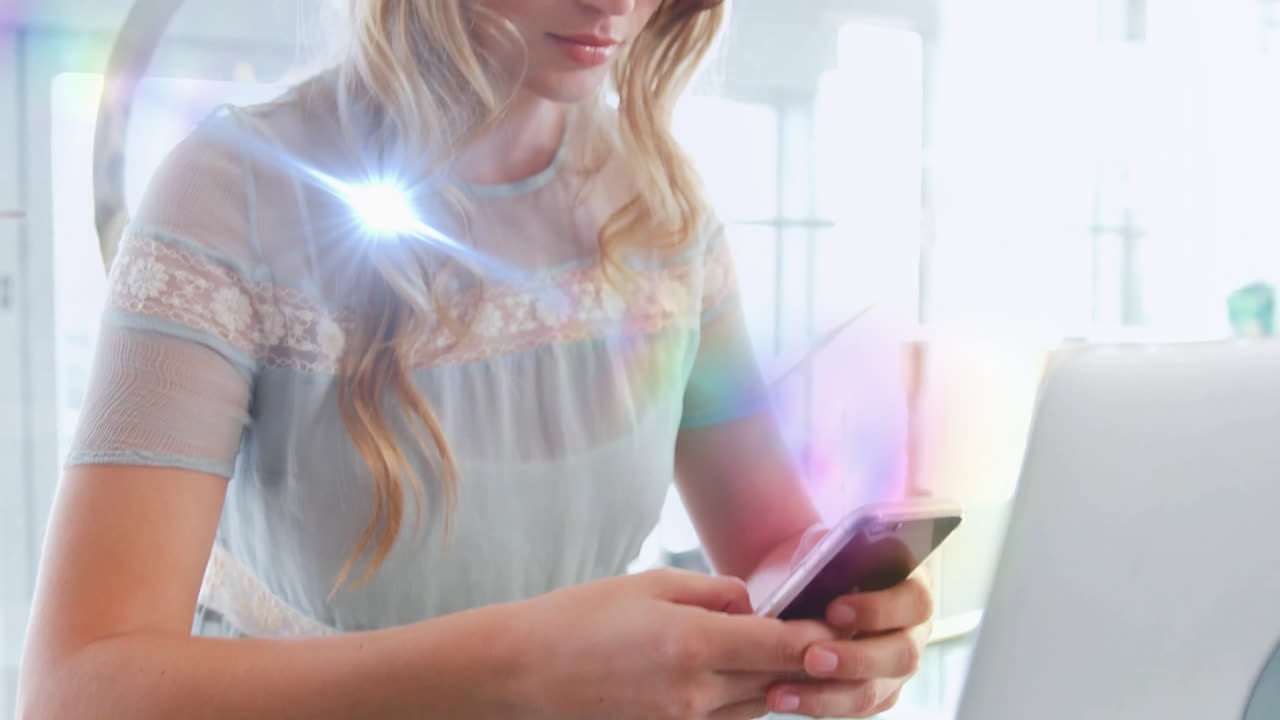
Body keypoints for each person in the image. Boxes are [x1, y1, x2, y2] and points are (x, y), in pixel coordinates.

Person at [17, 1, 934, 718]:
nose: (615, 2)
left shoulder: (661, 206)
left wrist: (846, 626)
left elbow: (771, 547)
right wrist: (519, 671)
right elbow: (76, 691)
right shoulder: (231, 195)